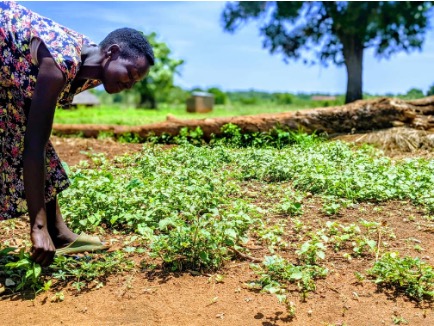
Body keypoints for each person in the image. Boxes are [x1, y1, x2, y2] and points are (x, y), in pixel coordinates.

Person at [0, 1, 154, 266]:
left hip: (10, 74)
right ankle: (47, 230)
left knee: (26, 135)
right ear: (113, 52)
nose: (129, 85)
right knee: (33, 143)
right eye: (129, 74)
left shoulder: (94, 70)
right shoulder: (59, 63)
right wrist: (37, 227)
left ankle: (58, 234)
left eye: (135, 82)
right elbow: (33, 146)